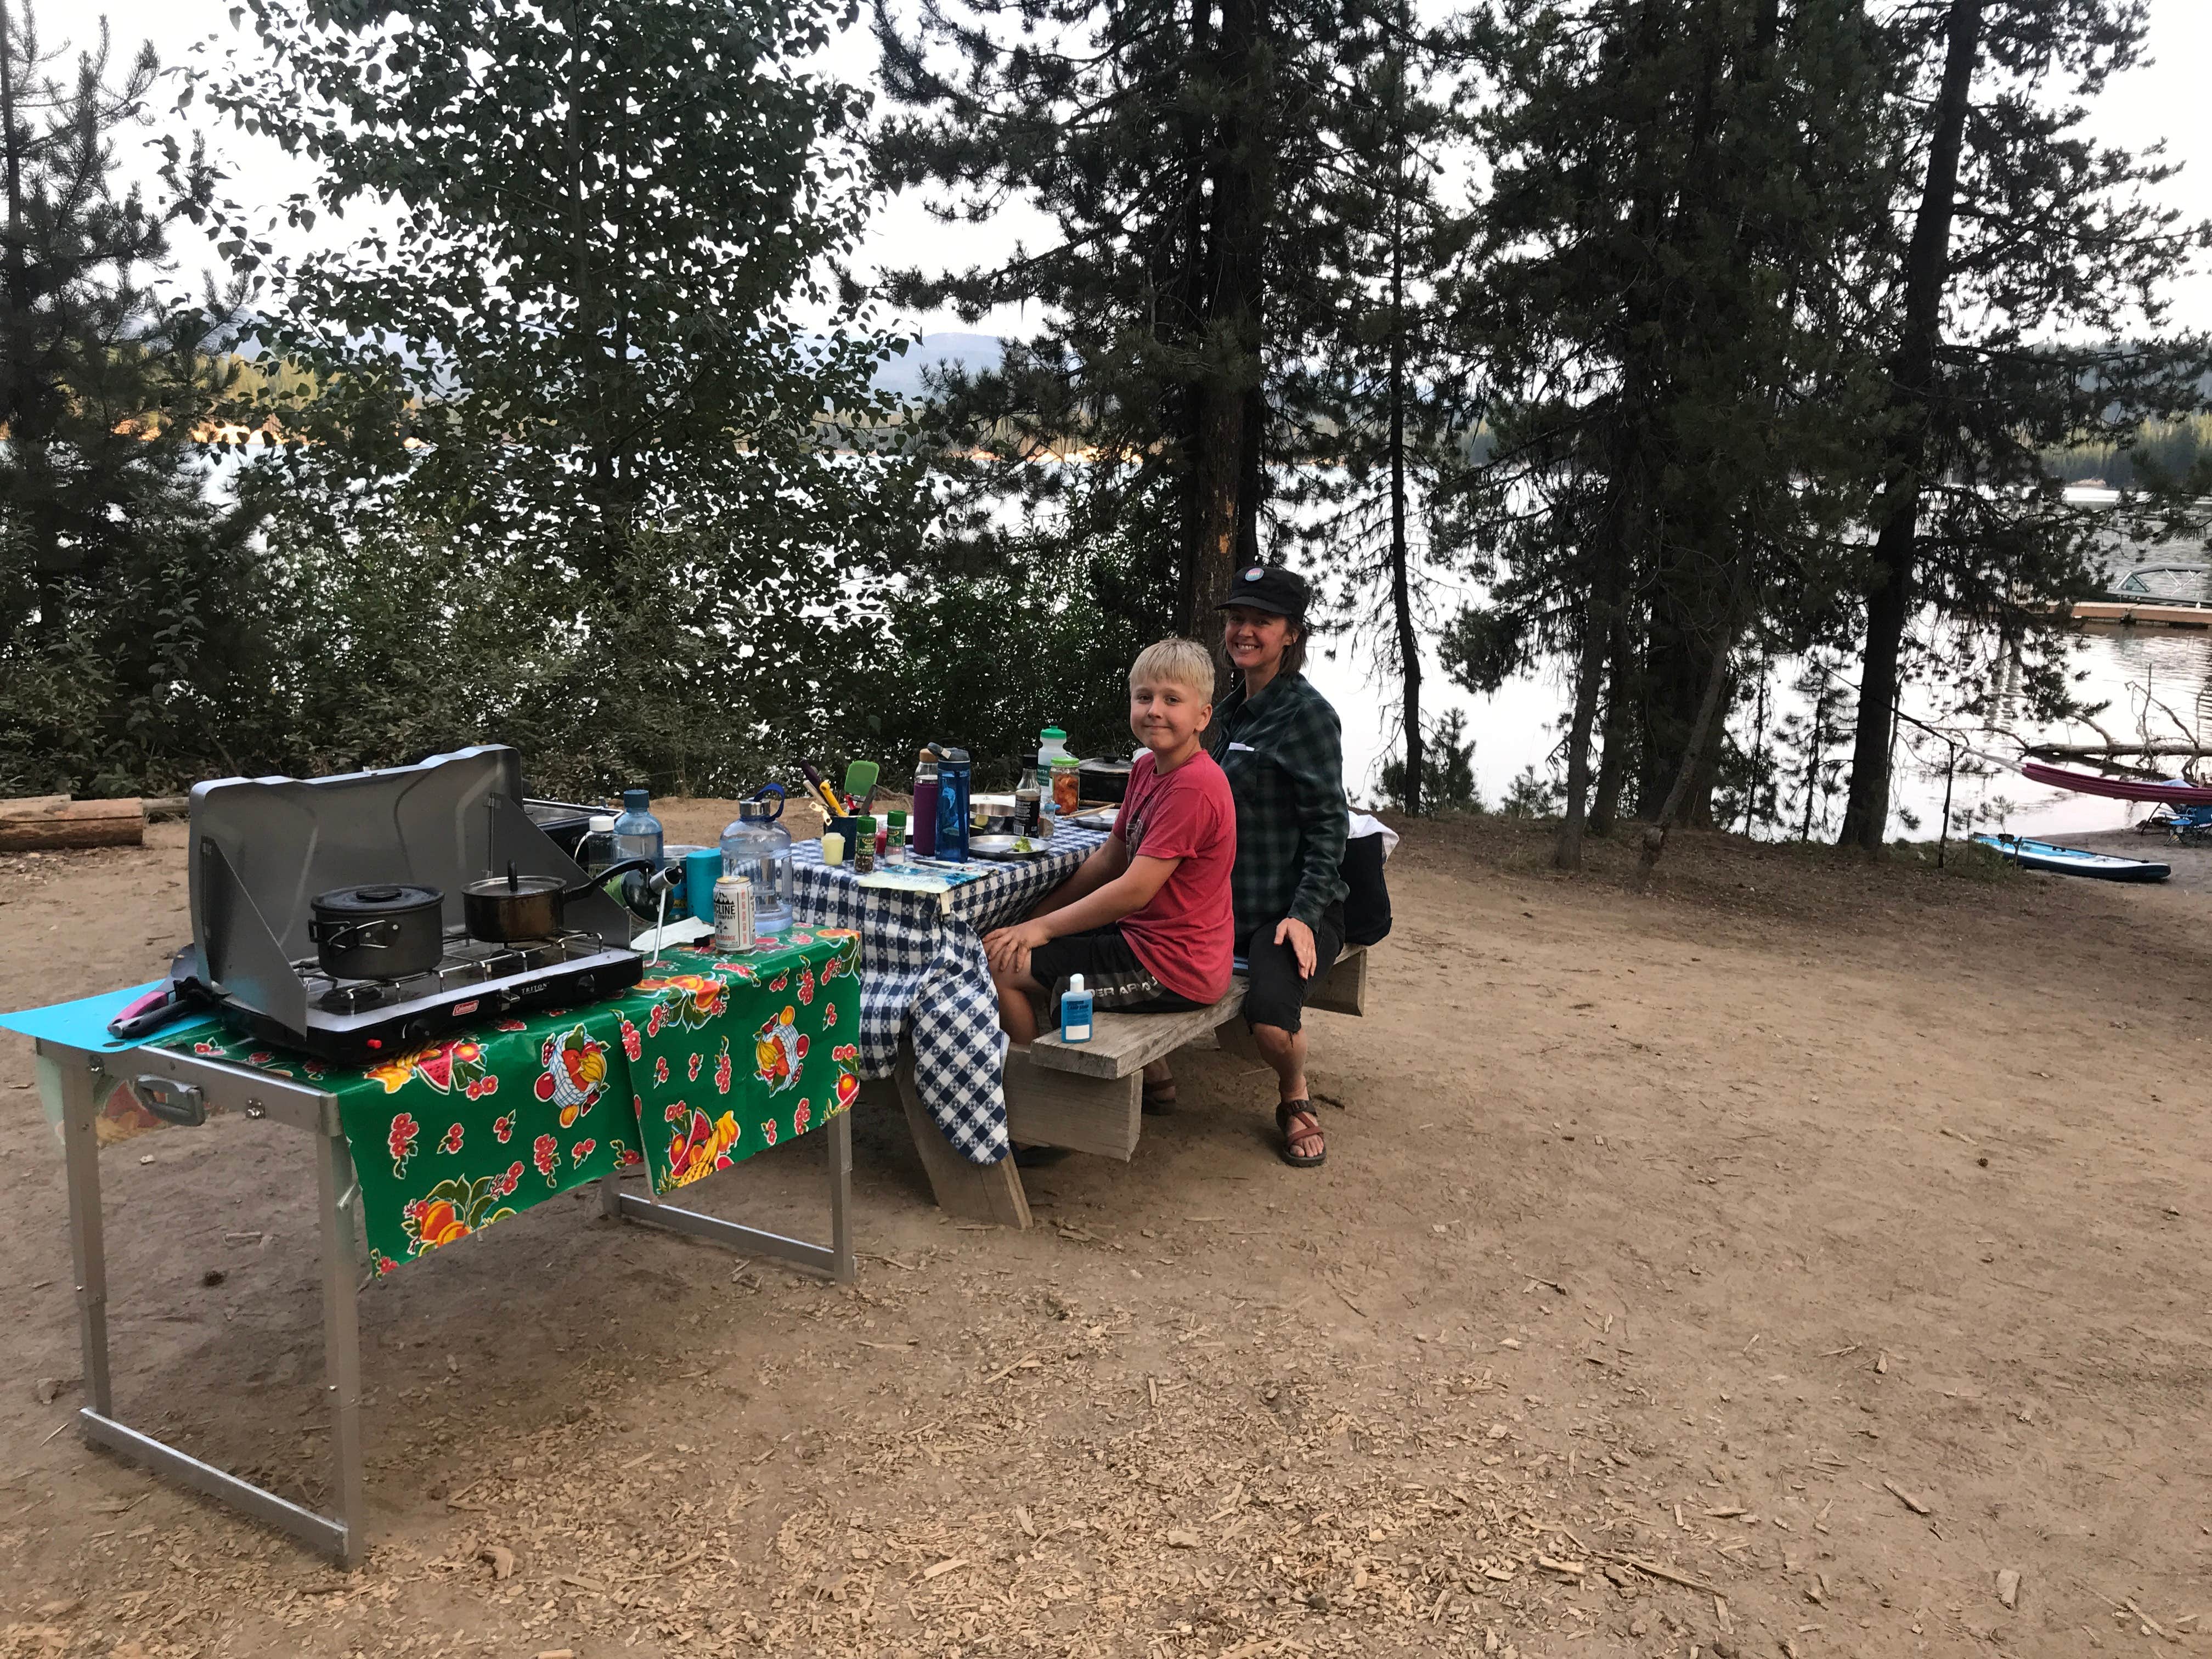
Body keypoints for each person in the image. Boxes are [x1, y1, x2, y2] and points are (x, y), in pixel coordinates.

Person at [1149, 564, 1347, 1167]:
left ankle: (1293, 1094)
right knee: (1116, 940)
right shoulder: (1227, 709)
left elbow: (1329, 825)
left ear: (1291, 634)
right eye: (1238, 619)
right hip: (1220, 905)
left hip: (1283, 911)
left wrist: (1306, 914)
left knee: (1269, 1022)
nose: (1244, 631)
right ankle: (1152, 1065)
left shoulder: (1307, 715)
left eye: (1262, 621)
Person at [983, 637, 1237, 1042]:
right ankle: (1158, 1083)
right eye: (1144, 697)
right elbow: (1108, 861)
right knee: (1015, 944)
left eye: (1172, 700)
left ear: (1203, 716)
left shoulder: (1195, 786)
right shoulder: (1146, 770)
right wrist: (1032, 921)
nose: (1154, 710)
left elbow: (1134, 891)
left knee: (1001, 965)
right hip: (1145, 940)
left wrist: (1043, 930)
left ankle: (1035, 1089)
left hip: (1172, 965)